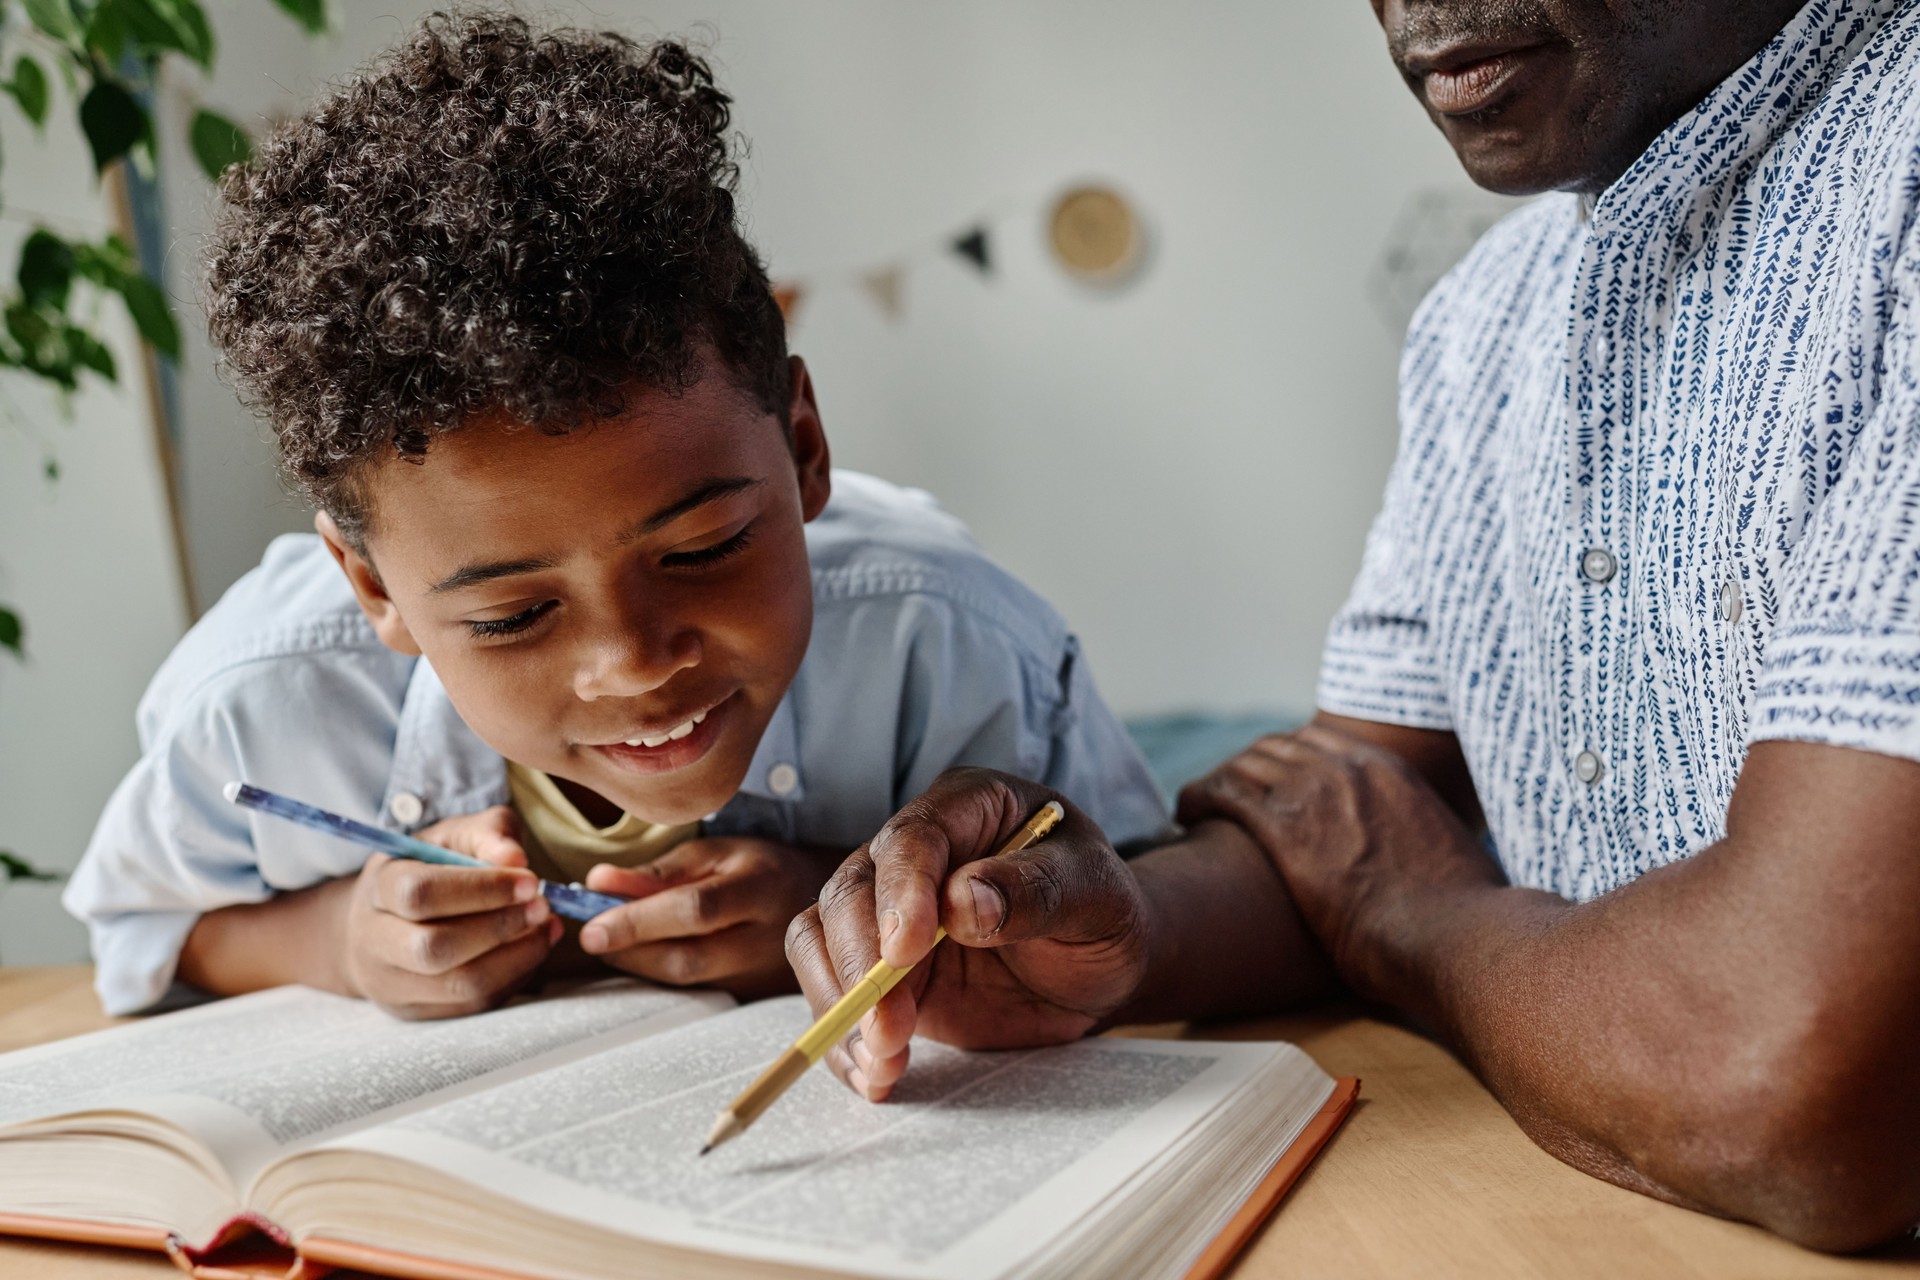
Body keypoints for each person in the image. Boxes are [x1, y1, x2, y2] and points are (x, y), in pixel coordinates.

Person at [788, 0, 1920, 1251]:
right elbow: (1347, 806)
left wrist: (1418, 918)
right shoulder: (1482, 317)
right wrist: (1100, 922)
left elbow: (1788, 1076)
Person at [63, 12, 1166, 1022]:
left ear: (805, 449)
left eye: (704, 547)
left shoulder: (956, 644)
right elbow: (144, 928)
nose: (636, 661)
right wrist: (338, 939)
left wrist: (833, 894)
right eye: (510, 614)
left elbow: (1147, 894)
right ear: (373, 589)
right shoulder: (260, 700)